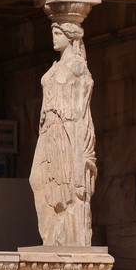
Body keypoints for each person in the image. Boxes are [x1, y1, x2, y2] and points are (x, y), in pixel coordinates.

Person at [30, 20, 97, 246]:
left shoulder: (77, 66)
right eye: (53, 32)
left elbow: (81, 107)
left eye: (58, 33)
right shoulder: (55, 66)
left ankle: (66, 239)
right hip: (48, 130)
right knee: (37, 180)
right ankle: (51, 238)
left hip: (66, 131)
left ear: (71, 37)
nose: (54, 37)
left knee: (65, 188)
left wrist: (78, 146)